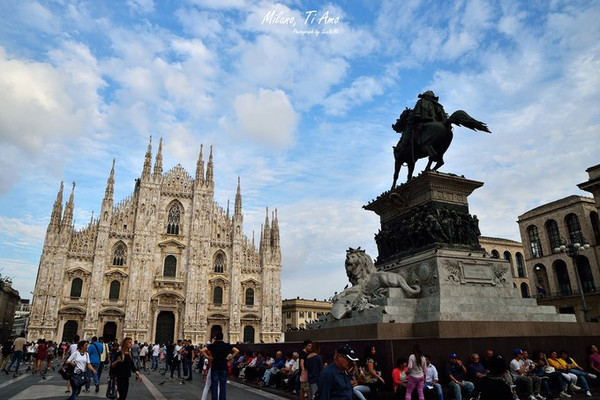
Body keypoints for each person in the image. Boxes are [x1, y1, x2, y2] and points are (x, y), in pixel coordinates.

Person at [201, 331, 239, 400]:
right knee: (223, 386)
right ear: (222, 337)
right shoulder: (226, 345)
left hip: (215, 367)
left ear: (216, 338)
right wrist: (230, 358)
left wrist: (208, 358)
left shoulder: (212, 345)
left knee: (214, 386)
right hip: (223, 367)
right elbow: (237, 351)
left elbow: (202, 351)